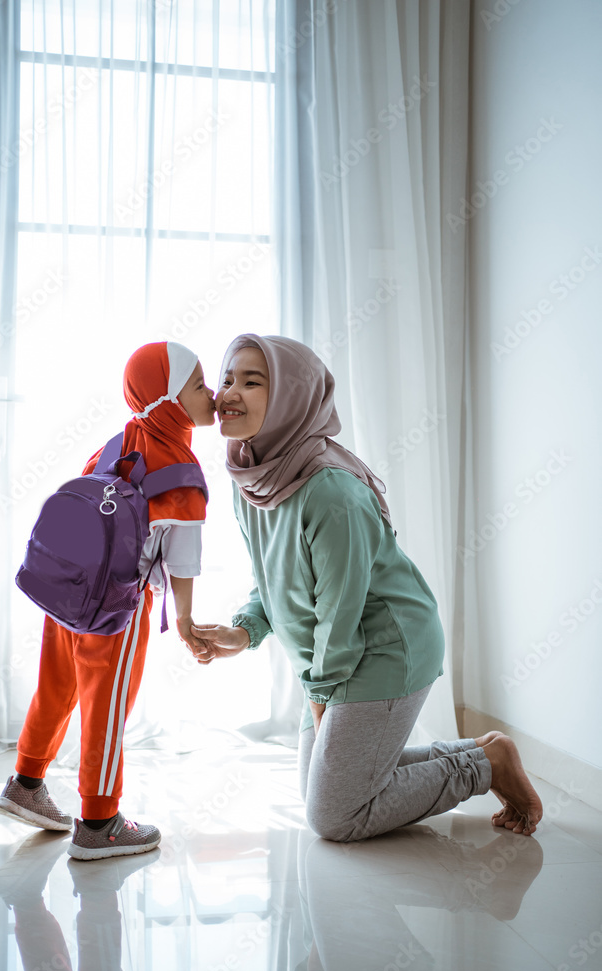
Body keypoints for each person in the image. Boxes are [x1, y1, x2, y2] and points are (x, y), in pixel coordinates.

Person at [191, 334, 543, 841]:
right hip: (338, 655)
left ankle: (482, 769)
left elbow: (340, 607)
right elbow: (272, 574)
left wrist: (321, 692)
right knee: (330, 788)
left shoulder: (330, 490)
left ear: (292, 396)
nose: (229, 392)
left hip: (386, 648)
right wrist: (244, 631)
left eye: (252, 381)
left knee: (334, 816)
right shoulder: (251, 476)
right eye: (226, 378)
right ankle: (485, 753)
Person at [0, 341, 217, 860]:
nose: (210, 394)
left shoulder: (116, 441)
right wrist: (184, 621)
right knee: (106, 708)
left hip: (67, 594)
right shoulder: (181, 472)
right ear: (166, 397)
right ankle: (99, 823)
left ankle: (25, 785)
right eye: (198, 384)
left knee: (56, 688)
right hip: (116, 609)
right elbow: (181, 563)